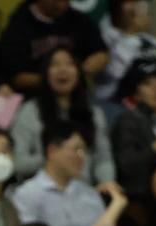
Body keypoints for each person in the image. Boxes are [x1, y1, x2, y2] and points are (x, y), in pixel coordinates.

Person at [12, 121, 127, 226]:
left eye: (84, 150)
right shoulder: (27, 193)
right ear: (52, 150)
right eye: (76, 149)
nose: (82, 157)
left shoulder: (90, 194)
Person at [10, 47, 113, 182]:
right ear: (45, 74)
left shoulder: (94, 114)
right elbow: (17, 162)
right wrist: (54, 158)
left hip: (82, 192)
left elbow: (103, 160)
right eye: (55, 65)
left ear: (79, 73)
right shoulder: (30, 111)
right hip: (39, 192)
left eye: (69, 64)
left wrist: (107, 184)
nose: (62, 70)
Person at [0, 0, 107, 92]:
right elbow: (17, 78)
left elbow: (101, 54)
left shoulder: (78, 19)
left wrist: (87, 66)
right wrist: (54, 79)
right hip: (35, 100)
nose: (63, 3)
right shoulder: (19, 25)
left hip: (78, 99)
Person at [110, 61, 156, 197]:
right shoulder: (127, 120)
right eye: (147, 83)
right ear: (136, 94)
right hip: (140, 199)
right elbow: (125, 166)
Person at [96, 0, 156, 105]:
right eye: (129, 2)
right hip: (114, 103)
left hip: (151, 105)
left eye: (137, 2)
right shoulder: (104, 36)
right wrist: (130, 32)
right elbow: (115, 75)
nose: (135, 7)